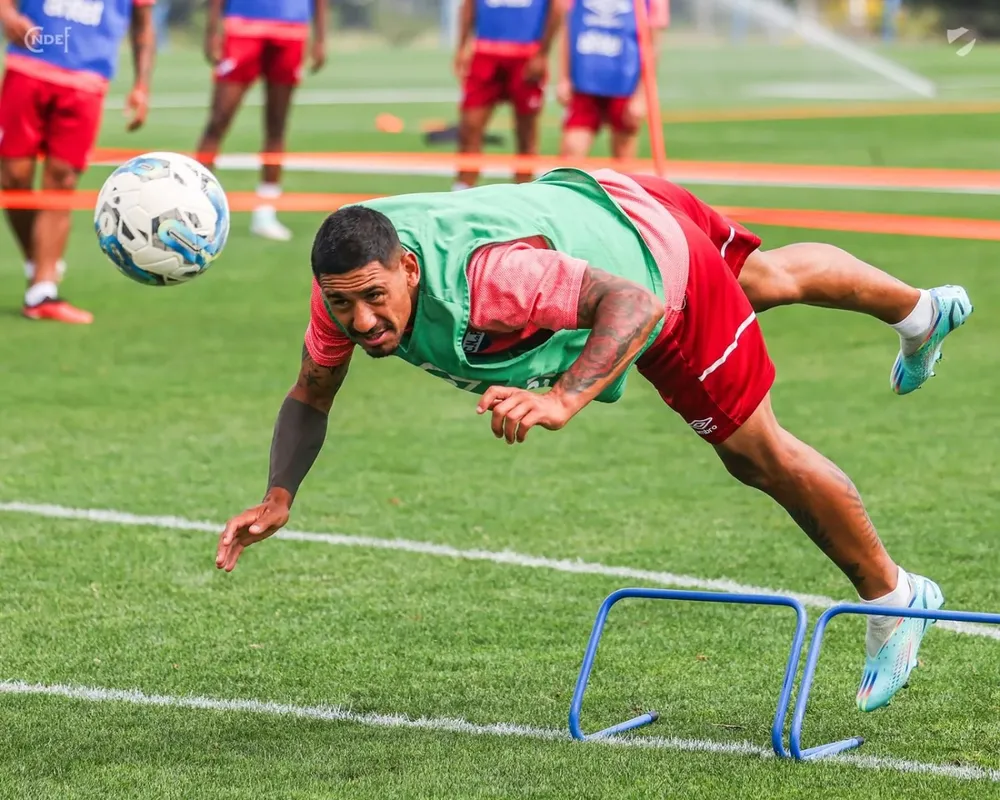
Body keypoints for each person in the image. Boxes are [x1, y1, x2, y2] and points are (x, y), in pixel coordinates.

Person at [216, 169, 972, 713]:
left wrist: (563, 396)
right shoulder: (348, 278)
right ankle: (921, 313)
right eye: (346, 308)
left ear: (408, 269)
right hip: (604, 196)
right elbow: (311, 393)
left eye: (376, 300)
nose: (362, 323)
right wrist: (279, 495)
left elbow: (633, 303)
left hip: (647, 269)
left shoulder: (492, 280)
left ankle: (896, 598)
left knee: (756, 454)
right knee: (763, 278)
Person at [0, 0, 154, 324]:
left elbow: (143, 23)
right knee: (13, 176)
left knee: (62, 178)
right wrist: (9, 14)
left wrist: (141, 85)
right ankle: (40, 262)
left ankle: (42, 290)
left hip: (86, 79)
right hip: (29, 67)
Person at [196, 0, 327, 242]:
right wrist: (212, 28)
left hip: (291, 26)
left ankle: (266, 213)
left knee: (277, 125)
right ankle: (193, 206)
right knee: (218, 120)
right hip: (243, 25)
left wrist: (320, 37)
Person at [453, 0, 562, 190]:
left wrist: (543, 53)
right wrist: (462, 45)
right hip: (486, 52)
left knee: (526, 133)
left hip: (526, 54)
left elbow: (557, 9)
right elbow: (469, 5)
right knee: (470, 126)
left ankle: (525, 192)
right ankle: (462, 188)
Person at [557, 0, 668, 162]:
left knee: (624, 162)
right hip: (584, 83)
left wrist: (641, 95)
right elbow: (567, 27)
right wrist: (564, 78)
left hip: (625, 85)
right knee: (570, 155)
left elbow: (652, 45)